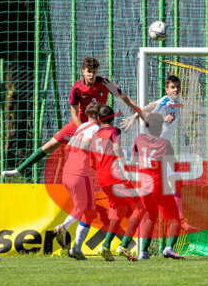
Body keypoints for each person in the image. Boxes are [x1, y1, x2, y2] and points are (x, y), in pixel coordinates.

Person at [2, 56, 145, 178]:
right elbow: (74, 113)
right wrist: (82, 129)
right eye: (89, 72)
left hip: (99, 124)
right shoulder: (77, 88)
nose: (91, 75)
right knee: (51, 144)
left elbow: (124, 97)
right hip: (80, 123)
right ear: (83, 72)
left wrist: (138, 110)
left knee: (108, 149)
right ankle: (19, 170)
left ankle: (126, 173)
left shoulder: (104, 83)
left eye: (94, 72)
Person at [131, 112, 187, 260]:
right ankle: (168, 249)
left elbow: (134, 159)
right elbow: (174, 166)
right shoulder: (165, 144)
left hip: (143, 187)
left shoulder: (139, 139)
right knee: (175, 219)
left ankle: (143, 252)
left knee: (151, 217)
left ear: (147, 126)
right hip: (158, 186)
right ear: (161, 127)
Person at [52, 101, 103, 260]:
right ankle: (64, 227)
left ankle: (76, 249)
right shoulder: (95, 129)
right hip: (80, 172)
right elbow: (87, 144)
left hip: (68, 171)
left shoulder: (81, 127)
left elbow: (67, 147)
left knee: (89, 211)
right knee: (84, 206)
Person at [89, 104, 139, 261]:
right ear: (112, 118)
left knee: (120, 210)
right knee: (141, 207)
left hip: (102, 178)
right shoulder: (114, 131)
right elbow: (117, 149)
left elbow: (92, 163)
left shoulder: (95, 136)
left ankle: (106, 246)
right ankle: (124, 245)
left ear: (98, 119)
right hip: (114, 176)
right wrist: (126, 170)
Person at [122, 74, 182, 140]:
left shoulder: (177, 102)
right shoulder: (165, 102)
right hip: (157, 140)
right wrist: (135, 116)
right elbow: (151, 106)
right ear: (167, 90)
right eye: (173, 87)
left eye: (178, 87)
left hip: (165, 140)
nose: (176, 89)